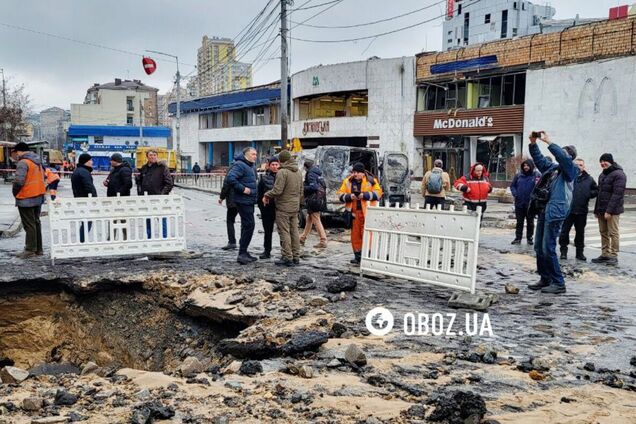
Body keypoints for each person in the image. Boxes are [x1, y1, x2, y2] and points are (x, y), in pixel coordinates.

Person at [527, 131, 578, 294]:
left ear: (570, 157)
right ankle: (545, 278)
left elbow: (562, 158)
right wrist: (533, 143)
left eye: (565, 153)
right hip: (544, 209)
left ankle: (558, 282)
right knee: (539, 247)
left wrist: (549, 142)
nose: (561, 155)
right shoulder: (553, 169)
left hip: (556, 211)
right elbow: (540, 161)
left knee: (548, 247)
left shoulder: (571, 170)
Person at [337, 162, 383, 264]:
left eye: (357, 172)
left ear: (362, 173)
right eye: (354, 172)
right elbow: (340, 194)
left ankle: (367, 255)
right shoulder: (347, 181)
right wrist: (350, 197)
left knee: (367, 235)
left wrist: (364, 195)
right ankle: (357, 256)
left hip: (367, 213)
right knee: (355, 236)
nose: (355, 174)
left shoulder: (371, 181)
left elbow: (378, 194)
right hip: (354, 213)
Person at [263, 150, 303, 266]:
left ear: (281, 160)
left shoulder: (283, 172)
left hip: (283, 207)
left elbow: (277, 190)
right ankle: (296, 257)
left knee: (284, 232)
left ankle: (287, 257)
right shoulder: (298, 172)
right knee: (294, 232)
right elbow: (301, 191)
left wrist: (267, 195)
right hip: (294, 207)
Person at [558, 159, 598, 261]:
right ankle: (563, 252)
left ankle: (579, 253)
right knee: (564, 232)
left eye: (581, 165)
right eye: (576, 165)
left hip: (581, 211)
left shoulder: (589, 179)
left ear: (584, 167)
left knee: (580, 233)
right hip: (568, 211)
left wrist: (588, 194)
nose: (579, 167)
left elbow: (596, 190)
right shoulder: (568, 177)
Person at [11, 142, 46, 258]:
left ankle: (30, 249)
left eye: (15, 153)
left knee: (29, 224)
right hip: (38, 195)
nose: (15, 155)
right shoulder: (37, 161)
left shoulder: (23, 162)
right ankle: (38, 249)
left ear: (19, 151)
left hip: (26, 197)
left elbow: (18, 181)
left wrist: (15, 192)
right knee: (36, 222)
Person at [225, 147, 259, 264]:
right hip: (243, 200)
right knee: (249, 225)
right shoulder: (240, 165)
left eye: (256, 154)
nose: (255, 156)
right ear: (246, 155)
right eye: (253, 154)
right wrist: (243, 189)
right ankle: (242, 253)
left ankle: (243, 252)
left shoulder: (250, 166)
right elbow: (230, 178)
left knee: (247, 226)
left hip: (249, 201)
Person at [591, 153, 627, 266]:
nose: (602, 163)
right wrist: (596, 210)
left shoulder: (619, 174)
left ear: (610, 161)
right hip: (601, 210)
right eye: (601, 161)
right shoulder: (603, 174)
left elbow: (617, 194)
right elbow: (600, 193)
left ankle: (613, 255)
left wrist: (609, 211)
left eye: (604, 161)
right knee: (603, 232)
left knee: (613, 232)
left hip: (613, 210)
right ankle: (605, 254)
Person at [136, 150, 174, 239]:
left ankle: (164, 237)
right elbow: (141, 182)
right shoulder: (144, 168)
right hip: (147, 198)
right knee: (148, 219)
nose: (152, 157)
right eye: (150, 155)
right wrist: (140, 194)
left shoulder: (162, 167)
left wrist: (162, 194)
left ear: (157, 156)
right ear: (147, 157)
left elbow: (169, 183)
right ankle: (149, 237)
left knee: (161, 218)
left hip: (159, 198)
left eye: (154, 155)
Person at [510, 159, 540, 245]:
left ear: (531, 166)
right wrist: (515, 194)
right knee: (519, 221)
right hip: (519, 202)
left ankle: (529, 238)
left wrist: (535, 197)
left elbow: (539, 187)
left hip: (530, 204)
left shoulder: (537, 175)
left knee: (530, 222)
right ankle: (518, 238)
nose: (526, 167)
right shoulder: (518, 175)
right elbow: (513, 186)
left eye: (527, 165)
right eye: (524, 165)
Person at [300, 159, 328, 249]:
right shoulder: (318, 173)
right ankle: (303, 238)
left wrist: (303, 187)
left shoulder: (311, 173)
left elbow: (314, 187)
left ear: (306, 167)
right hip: (319, 199)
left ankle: (323, 240)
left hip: (313, 200)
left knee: (316, 219)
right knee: (309, 218)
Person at [71, 153, 98, 243]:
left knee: (85, 222)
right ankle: (82, 241)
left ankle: (82, 240)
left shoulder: (79, 171)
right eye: (90, 160)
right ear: (86, 161)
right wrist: (94, 199)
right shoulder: (83, 172)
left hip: (80, 199)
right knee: (87, 222)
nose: (92, 162)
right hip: (86, 201)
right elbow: (89, 187)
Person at [257, 156, 280, 259]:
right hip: (267, 208)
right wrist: (262, 207)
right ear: (269, 166)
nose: (275, 167)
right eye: (273, 165)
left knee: (283, 231)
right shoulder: (264, 178)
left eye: (276, 164)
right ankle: (267, 251)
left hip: (280, 208)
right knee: (268, 231)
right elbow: (259, 194)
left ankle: (285, 251)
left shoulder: (282, 177)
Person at [219, 172, 239, 251]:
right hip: (244, 201)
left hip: (233, 201)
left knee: (230, 221)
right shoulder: (247, 169)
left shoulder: (231, 171)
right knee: (246, 223)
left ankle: (232, 242)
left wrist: (221, 197)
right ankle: (244, 243)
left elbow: (226, 186)